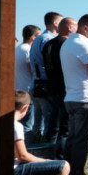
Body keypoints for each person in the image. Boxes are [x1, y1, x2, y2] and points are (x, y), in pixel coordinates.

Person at [13, 90, 72, 175]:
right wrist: (43, 161)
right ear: (25, 108)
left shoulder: (3, 122)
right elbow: (22, 156)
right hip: (14, 169)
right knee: (63, 166)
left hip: (6, 167)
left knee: (48, 163)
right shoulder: (16, 126)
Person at [60, 14, 88, 175]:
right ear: (85, 28)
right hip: (85, 98)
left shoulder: (68, 43)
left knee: (72, 140)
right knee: (82, 142)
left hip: (71, 96)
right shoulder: (83, 45)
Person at [42, 17, 77, 156]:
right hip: (64, 88)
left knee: (53, 126)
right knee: (65, 128)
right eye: (76, 26)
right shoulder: (67, 43)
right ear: (69, 28)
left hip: (52, 87)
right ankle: (62, 159)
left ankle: (48, 155)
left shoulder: (49, 43)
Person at [29, 12, 62, 142]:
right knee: (50, 122)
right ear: (55, 23)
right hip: (45, 85)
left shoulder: (38, 38)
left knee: (37, 123)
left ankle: (33, 147)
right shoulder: (49, 40)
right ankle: (47, 151)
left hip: (36, 84)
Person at [16, 25, 40, 142]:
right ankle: (28, 148)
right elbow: (32, 72)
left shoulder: (17, 49)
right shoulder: (27, 50)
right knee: (28, 125)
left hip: (17, 90)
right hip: (27, 91)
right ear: (33, 37)